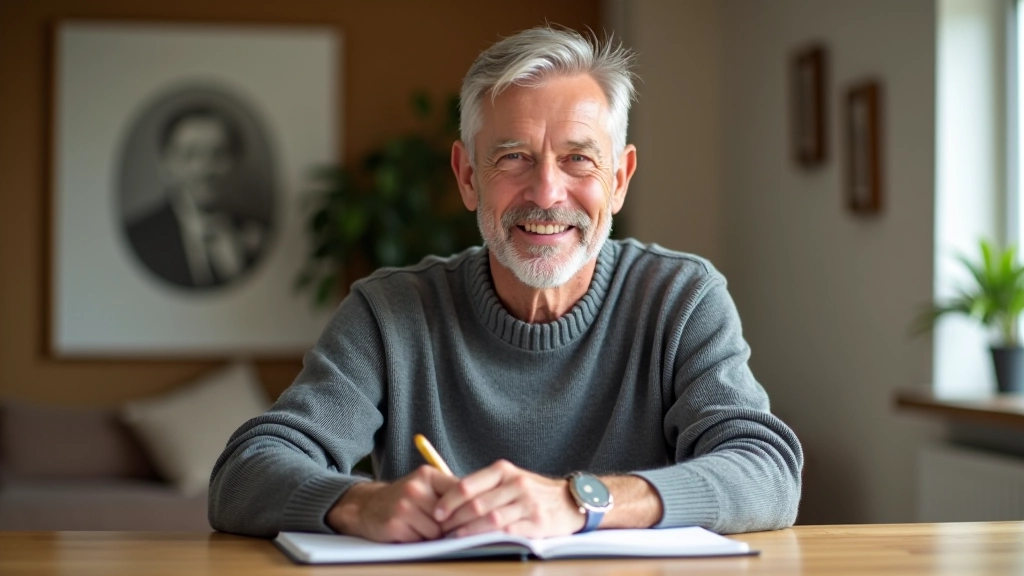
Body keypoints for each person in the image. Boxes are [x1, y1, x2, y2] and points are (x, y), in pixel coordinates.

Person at [209, 26, 802, 540]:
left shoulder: (680, 298)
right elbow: (244, 473)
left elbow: (766, 470)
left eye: (579, 159)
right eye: (513, 157)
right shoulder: (389, 312)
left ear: (619, 180)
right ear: (468, 177)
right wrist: (358, 501)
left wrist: (581, 502)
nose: (547, 193)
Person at [125, 106, 267, 289]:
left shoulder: (259, 232)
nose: (204, 169)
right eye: (190, 155)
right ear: (166, 165)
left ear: (235, 162)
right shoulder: (141, 236)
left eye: (218, 154)